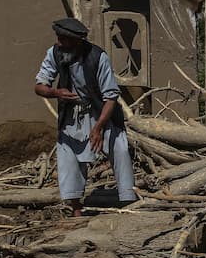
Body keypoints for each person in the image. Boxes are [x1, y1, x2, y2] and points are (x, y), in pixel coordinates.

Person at [34, 17, 135, 216]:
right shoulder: (55, 53)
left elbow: (111, 97)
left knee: (120, 149)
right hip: (72, 114)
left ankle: (128, 202)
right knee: (68, 156)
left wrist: (98, 128)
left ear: (77, 41)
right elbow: (39, 86)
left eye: (64, 40)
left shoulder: (98, 57)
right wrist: (56, 93)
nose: (59, 43)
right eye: (58, 38)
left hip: (101, 113)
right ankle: (75, 209)